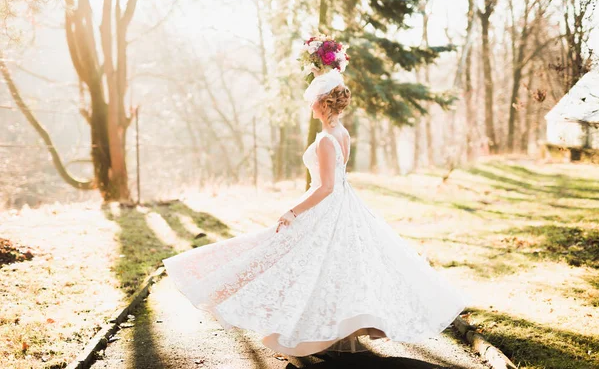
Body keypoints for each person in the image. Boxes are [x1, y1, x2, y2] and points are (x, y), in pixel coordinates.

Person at [162, 68, 467, 358]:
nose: (309, 108)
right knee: (330, 268)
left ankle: (306, 329)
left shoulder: (324, 139)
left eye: (312, 103)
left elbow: (326, 187)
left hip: (330, 206)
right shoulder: (342, 133)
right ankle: (325, 328)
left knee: (293, 261)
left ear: (323, 104)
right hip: (347, 206)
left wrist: (293, 212)